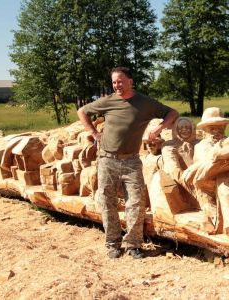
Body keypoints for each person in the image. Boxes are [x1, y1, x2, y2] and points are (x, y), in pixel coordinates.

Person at [77, 67, 178, 259]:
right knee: (107, 202)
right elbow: (82, 111)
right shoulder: (108, 101)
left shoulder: (146, 103)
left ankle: (133, 244)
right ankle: (113, 243)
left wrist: (159, 128)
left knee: (136, 203)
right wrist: (94, 133)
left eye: (120, 81)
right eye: (114, 82)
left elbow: (172, 113)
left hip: (132, 161)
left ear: (131, 81)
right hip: (107, 160)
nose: (117, 86)